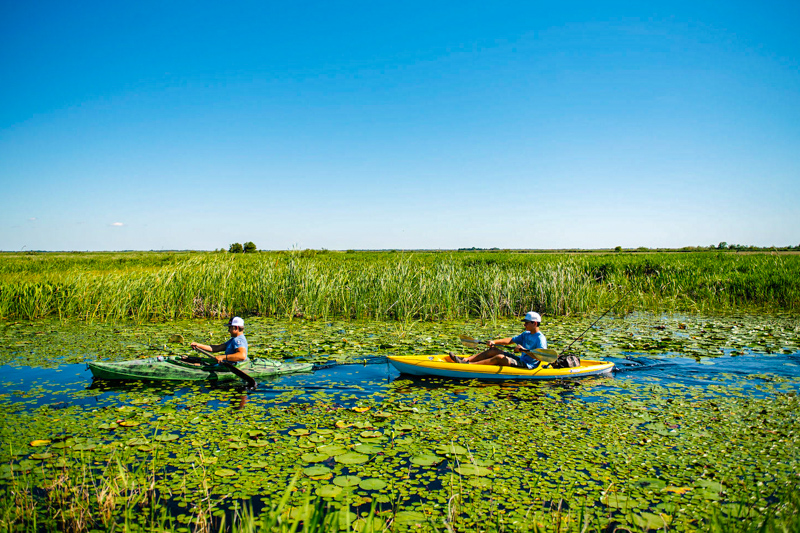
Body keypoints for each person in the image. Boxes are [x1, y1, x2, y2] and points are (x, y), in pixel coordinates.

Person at [452, 311, 547, 369]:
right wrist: (494, 342)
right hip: (521, 360)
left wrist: (524, 350)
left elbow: (541, 357)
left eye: (526, 323)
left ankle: (469, 365)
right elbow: (510, 340)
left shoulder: (540, 338)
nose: (524, 325)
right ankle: (465, 359)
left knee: (500, 357)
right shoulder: (526, 334)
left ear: (534, 323)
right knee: (493, 350)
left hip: (529, 365)